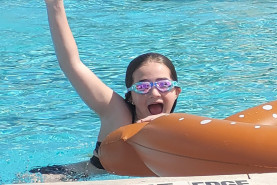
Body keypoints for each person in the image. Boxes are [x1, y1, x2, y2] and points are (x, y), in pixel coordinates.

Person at [31, 0, 182, 181]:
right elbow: (72, 65)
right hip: (72, 177)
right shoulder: (118, 114)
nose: (154, 93)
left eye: (163, 85)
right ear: (131, 96)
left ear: (176, 92)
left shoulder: (184, 129)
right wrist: (54, 4)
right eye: (142, 86)